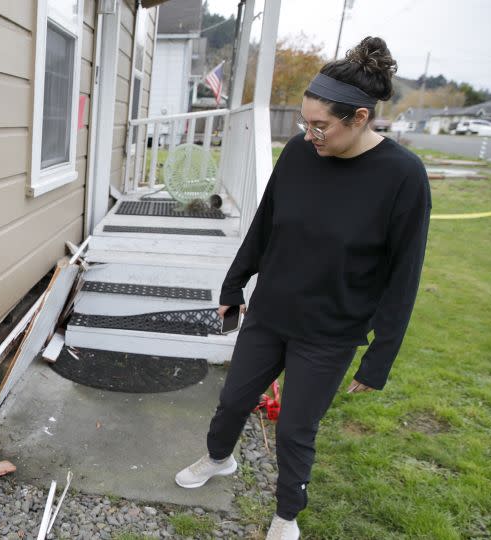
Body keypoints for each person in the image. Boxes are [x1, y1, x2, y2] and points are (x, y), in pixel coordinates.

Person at [173, 36, 431, 540]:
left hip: (330, 331)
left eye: (321, 125)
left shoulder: (403, 176)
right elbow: (265, 224)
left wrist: (380, 357)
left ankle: (286, 513)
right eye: (304, 122)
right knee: (232, 400)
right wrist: (235, 282)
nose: (309, 134)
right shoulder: (298, 152)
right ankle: (218, 459)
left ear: (359, 119)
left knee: (295, 429)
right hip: (271, 313)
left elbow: (406, 273)